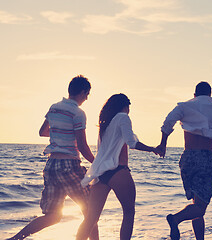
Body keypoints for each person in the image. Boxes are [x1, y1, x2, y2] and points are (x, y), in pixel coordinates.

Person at [7, 75, 99, 240]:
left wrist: (60, 131)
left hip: (51, 166)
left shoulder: (54, 108)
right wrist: (98, 163)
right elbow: (83, 146)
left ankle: (16, 238)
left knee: (53, 216)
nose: (86, 98)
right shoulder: (78, 113)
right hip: (68, 165)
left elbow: (42, 132)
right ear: (83, 92)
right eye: (87, 95)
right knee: (91, 212)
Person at [156, 81, 212, 240]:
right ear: (210, 95)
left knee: (196, 202)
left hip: (188, 158)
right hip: (205, 158)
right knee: (200, 207)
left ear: (194, 95)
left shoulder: (184, 107)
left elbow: (167, 123)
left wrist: (163, 144)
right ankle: (175, 219)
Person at [76, 93, 160, 240]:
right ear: (125, 106)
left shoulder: (106, 123)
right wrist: (153, 149)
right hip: (118, 171)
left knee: (91, 219)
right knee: (128, 212)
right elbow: (132, 143)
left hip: (101, 174)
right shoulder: (123, 117)